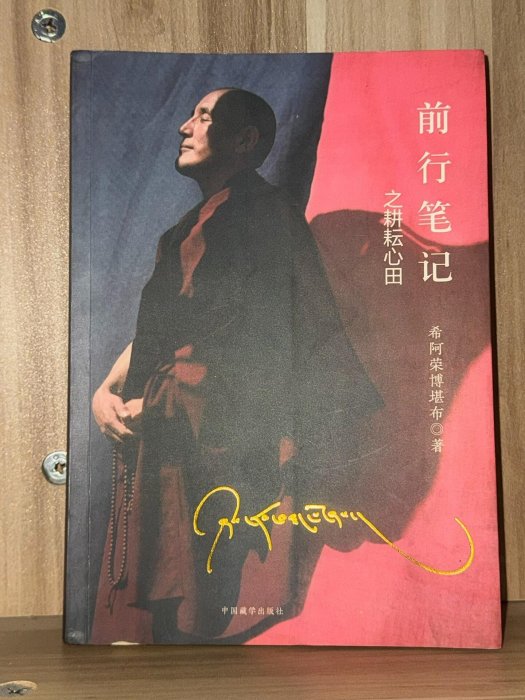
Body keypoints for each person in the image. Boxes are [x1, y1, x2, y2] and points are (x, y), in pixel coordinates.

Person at [90, 87, 381, 644]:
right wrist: (105, 390)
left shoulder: (267, 217)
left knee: (202, 619)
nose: (184, 127)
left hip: (216, 445)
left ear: (245, 139)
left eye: (203, 117)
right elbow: (164, 330)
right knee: (146, 629)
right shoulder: (185, 230)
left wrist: (170, 396)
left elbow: (268, 345)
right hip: (166, 429)